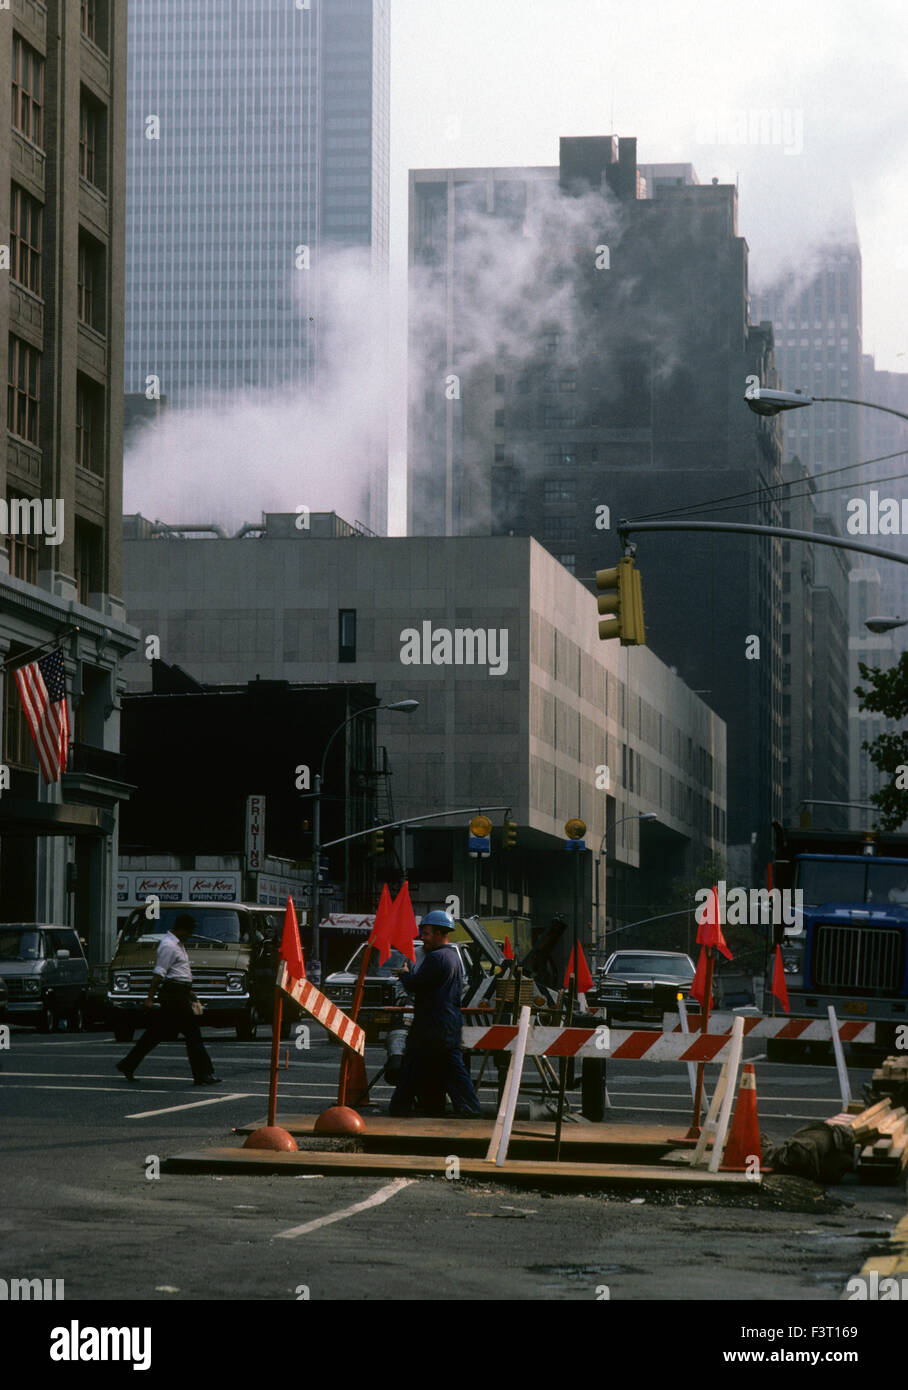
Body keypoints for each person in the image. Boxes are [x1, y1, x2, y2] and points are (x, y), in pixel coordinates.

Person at [388, 909, 482, 1118]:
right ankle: (411, 1107)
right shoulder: (452, 957)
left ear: (440, 934)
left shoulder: (436, 958)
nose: (423, 938)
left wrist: (405, 974)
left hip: (433, 1026)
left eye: (427, 933)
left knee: (443, 1069)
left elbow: (416, 985)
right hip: (445, 1023)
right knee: (423, 1067)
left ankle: (470, 1109)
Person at [116, 913, 221, 1085]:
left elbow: (179, 972)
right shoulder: (168, 946)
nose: (190, 935)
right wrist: (150, 998)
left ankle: (128, 1064)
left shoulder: (178, 945)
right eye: (189, 931)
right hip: (174, 996)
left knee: (155, 1033)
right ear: (181, 929)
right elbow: (159, 974)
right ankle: (203, 1074)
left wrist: (189, 991)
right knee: (193, 1034)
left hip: (179, 992)